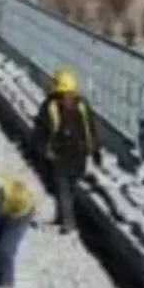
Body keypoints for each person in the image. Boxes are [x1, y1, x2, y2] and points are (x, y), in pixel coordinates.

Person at [30, 67, 101, 234]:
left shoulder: (50, 105)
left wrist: (39, 148)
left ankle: (68, 221)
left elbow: (40, 129)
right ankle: (64, 217)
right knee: (67, 188)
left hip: (61, 154)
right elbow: (91, 129)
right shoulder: (81, 104)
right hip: (76, 154)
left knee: (63, 189)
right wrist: (96, 151)